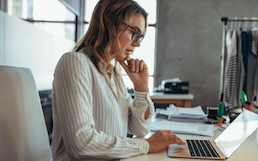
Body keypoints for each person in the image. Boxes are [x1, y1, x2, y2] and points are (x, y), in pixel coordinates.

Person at [51, 0, 185, 160]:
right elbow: (82, 144)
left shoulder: (113, 74)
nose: (137, 43)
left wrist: (141, 89)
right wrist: (146, 145)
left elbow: (139, 129)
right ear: (109, 24)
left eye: (140, 37)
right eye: (134, 33)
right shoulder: (75, 63)